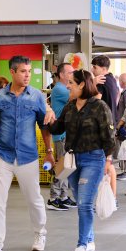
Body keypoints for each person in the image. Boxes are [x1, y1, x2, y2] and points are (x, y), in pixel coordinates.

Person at [0, 55, 55, 251]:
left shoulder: (37, 97)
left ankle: (40, 232)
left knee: (34, 199)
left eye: (29, 71)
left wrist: (49, 150)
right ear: (12, 72)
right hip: (2, 156)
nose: (27, 75)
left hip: (28, 157)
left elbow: (44, 126)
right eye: (23, 71)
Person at [49, 69, 115, 251]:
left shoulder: (99, 107)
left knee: (85, 204)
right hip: (73, 162)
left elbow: (109, 138)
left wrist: (108, 161)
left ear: (81, 85)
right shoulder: (70, 107)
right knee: (81, 204)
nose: (67, 86)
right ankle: (90, 239)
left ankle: (82, 245)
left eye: (71, 83)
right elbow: (57, 127)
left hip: (94, 160)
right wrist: (48, 116)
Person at [46, 63, 77, 211]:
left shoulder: (64, 88)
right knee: (62, 165)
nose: (73, 74)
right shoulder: (59, 89)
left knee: (67, 166)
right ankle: (53, 198)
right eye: (70, 72)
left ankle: (63, 196)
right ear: (62, 75)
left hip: (66, 134)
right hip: (61, 135)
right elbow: (75, 96)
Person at [91, 55, 120, 197]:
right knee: (109, 162)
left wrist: (92, 84)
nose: (92, 69)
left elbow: (95, 101)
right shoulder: (113, 80)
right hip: (111, 124)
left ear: (103, 69)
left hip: (103, 127)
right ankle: (112, 197)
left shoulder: (101, 81)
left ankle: (109, 198)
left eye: (95, 67)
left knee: (106, 163)